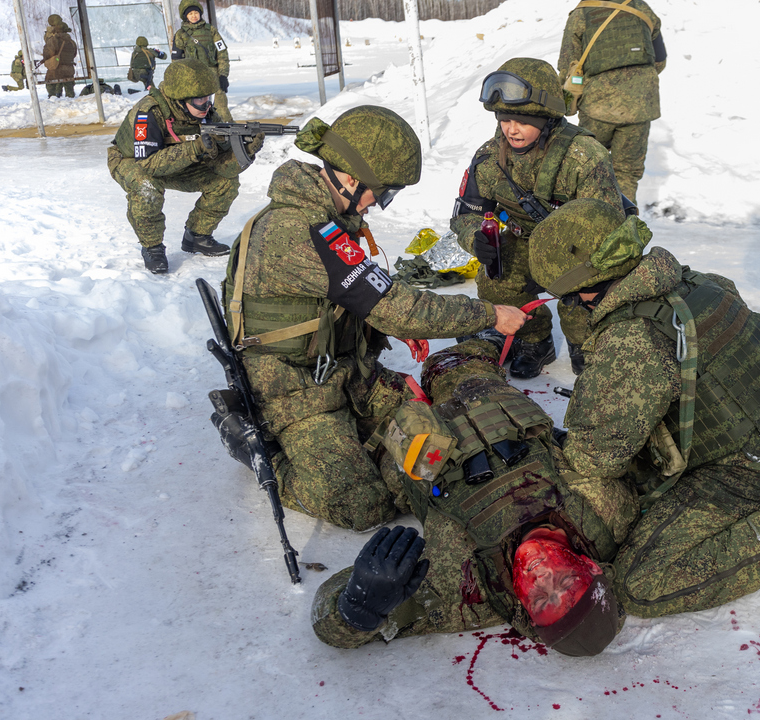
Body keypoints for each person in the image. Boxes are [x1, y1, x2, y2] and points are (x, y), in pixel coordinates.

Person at [530, 199, 760, 620]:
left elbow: (592, 457)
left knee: (640, 583)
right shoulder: (694, 282)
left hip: (752, 469)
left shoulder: (631, 341)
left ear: (583, 283)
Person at [210, 107, 528, 532]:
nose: (380, 203)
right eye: (384, 192)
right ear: (349, 178)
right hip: (294, 388)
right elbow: (400, 305)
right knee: (365, 506)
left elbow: (367, 294)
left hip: (343, 370)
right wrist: (488, 314)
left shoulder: (328, 218)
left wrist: (384, 324)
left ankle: (355, 443)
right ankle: (260, 451)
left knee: (438, 452)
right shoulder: (298, 230)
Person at [308, 339, 637, 655]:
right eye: (565, 582)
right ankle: (489, 338)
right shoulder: (606, 509)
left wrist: (359, 608)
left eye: (539, 600)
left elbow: (333, 623)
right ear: (590, 566)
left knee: (333, 380)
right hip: (478, 398)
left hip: (401, 432)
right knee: (448, 361)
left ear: (524, 610)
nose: (541, 577)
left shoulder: (470, 588)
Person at [451, 58, 623, 378]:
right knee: (496, 274)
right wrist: (477, 238)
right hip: (525, 239)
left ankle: (585, 341)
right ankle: (535, 340)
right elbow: (466, 214)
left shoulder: (583, 155)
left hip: (581, 251)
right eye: (504, 119)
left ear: (546, 118)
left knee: (589, 313)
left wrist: (557, 266)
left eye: (522, 120)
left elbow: (608, 233)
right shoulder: (490, 158)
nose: (511, 129)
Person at [107, 60, 241, 274]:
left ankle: (197, 236)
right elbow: (148, 164)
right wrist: (195, 148)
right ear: (181, 98)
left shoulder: (205, 112)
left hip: (175, 159)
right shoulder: (148, 112)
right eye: (199, 99)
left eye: (208, 97)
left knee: (225, 181)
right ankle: (152, 247)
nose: (206, 105)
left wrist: (244, 149)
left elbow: (220, 158)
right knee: (147, 187)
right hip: (131, 159)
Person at [557, 0, 666, 205]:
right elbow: (659, 61)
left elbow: (567, 66)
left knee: (588, 169)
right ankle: (625, 227)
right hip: (640, 105)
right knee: (627, 174)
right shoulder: (641, 8)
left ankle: (589, 226)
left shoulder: (582, 14)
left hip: (597, 106)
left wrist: (568, 101)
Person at [172, 1, 232, 121]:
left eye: (196, 12)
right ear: (185, 16)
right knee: (194, 106)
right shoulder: (181, 35)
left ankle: (225, 128)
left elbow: (222, 53)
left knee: (221, 106)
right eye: (190, 13)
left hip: (213, 74)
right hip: (192, 76)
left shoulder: (211, 31)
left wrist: (223, 76)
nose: (194, 16)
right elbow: (176, 61)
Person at [42, 14, 77, 99]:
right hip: (69, 69)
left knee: (51, 87)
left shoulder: (53, 40)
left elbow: (47, 54)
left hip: (56, 69)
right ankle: (71, 102)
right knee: (69, 91)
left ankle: (54, 99)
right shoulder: (71, 42)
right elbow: (74, 54)